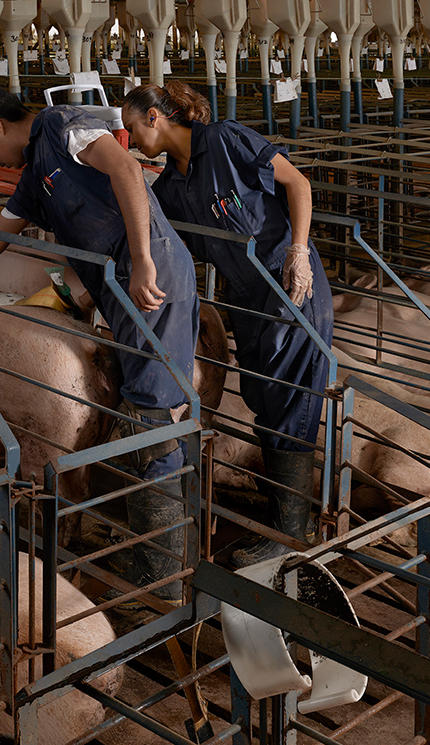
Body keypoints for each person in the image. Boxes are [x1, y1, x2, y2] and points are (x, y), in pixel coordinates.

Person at [0, 86, 200, 602]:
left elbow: (125, 170)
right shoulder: (31, 179)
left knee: (152, 408)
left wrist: (142, 259)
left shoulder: (59, 123)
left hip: (148, 271)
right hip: (118, 282)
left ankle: (162, 576)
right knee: (144, 399)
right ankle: (162, 550)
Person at [120, 80, 334, 568]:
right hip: (246, 298)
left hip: (289, 285)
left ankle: (291, 533)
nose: (130, 141)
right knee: (263, 399)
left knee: (291, 403)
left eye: (132, 128)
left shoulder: (223, 139)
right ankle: (286, 519)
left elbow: (296, 183)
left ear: (156, 117)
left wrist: (300, 251)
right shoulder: (170, 187)